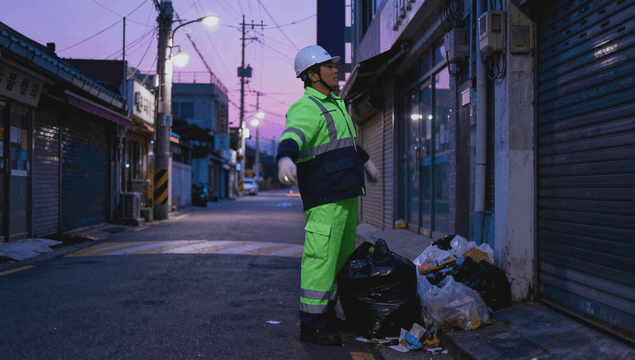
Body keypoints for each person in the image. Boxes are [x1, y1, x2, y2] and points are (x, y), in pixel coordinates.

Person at [276, 45, 380, 346]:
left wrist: (365, 160)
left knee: (338, 262)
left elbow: (343, 143)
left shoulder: (336, 104)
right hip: (325, 199)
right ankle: (311, 325)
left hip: (345, 196)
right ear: (312, 75)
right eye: (328, 66)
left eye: (334, 66)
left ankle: (327, 316)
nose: (336, 69)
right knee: (319, 261)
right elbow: (293, 135)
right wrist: (285, 157)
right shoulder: (307, 106)